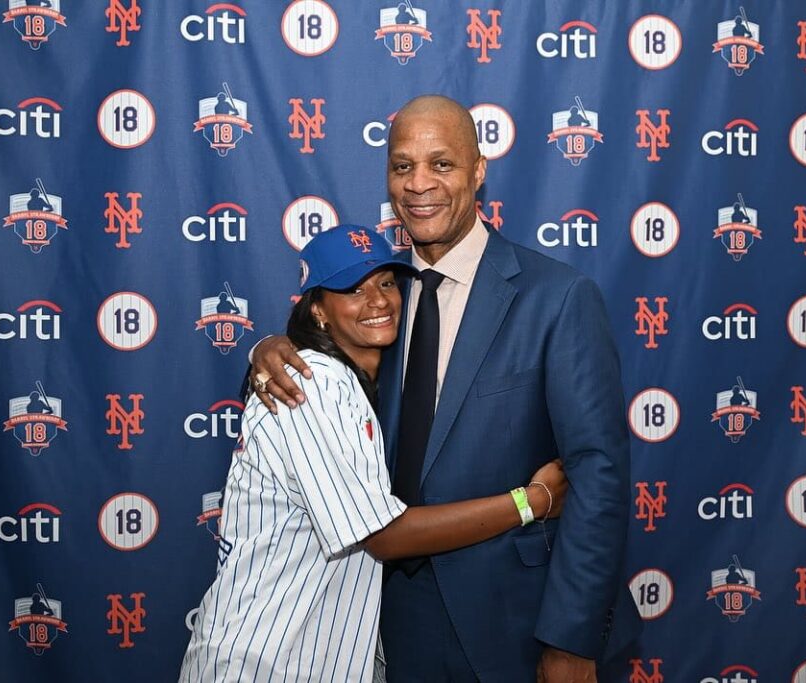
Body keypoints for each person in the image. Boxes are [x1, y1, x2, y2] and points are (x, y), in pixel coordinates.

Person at [250, 95, 640, 682]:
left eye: (442, 164)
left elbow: (598, 473)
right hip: (388, 623)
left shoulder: (556, 297)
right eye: (402, 166)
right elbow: (315, 370)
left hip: (518, 622)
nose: (418, 184)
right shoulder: (381, 301)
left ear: (478, 171)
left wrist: (570, 639)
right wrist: (263, 351)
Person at [180, 225, 566, 683]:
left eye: (385, 282)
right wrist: (531, 501)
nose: (378, 300)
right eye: (352, 289)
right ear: (318, 309)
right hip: (264, 659)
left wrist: (264, 347)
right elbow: (385, 535)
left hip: (321, 655)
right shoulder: (312, 384)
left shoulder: (367, 383)